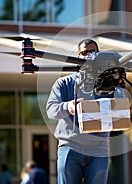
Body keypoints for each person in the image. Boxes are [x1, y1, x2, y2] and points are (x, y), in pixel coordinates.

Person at [46, 39, 123, 184]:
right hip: (70, 146)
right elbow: (51, 110)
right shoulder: (64, 83)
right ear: (78, 56)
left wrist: (118, 86)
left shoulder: (109, 85)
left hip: (98, 148)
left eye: (93, 52)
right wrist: (68, 107)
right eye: (84, 52)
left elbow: (121, 109)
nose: (88, 56)